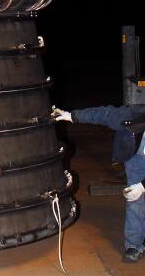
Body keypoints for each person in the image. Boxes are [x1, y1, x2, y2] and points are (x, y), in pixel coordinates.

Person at [53, 103, 145, 262]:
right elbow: (104, 114)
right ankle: (134, 245)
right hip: (136, 156)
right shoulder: (132, 116)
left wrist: (142, 186)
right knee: (134, 198)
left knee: (139, 190)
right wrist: (72, 116)